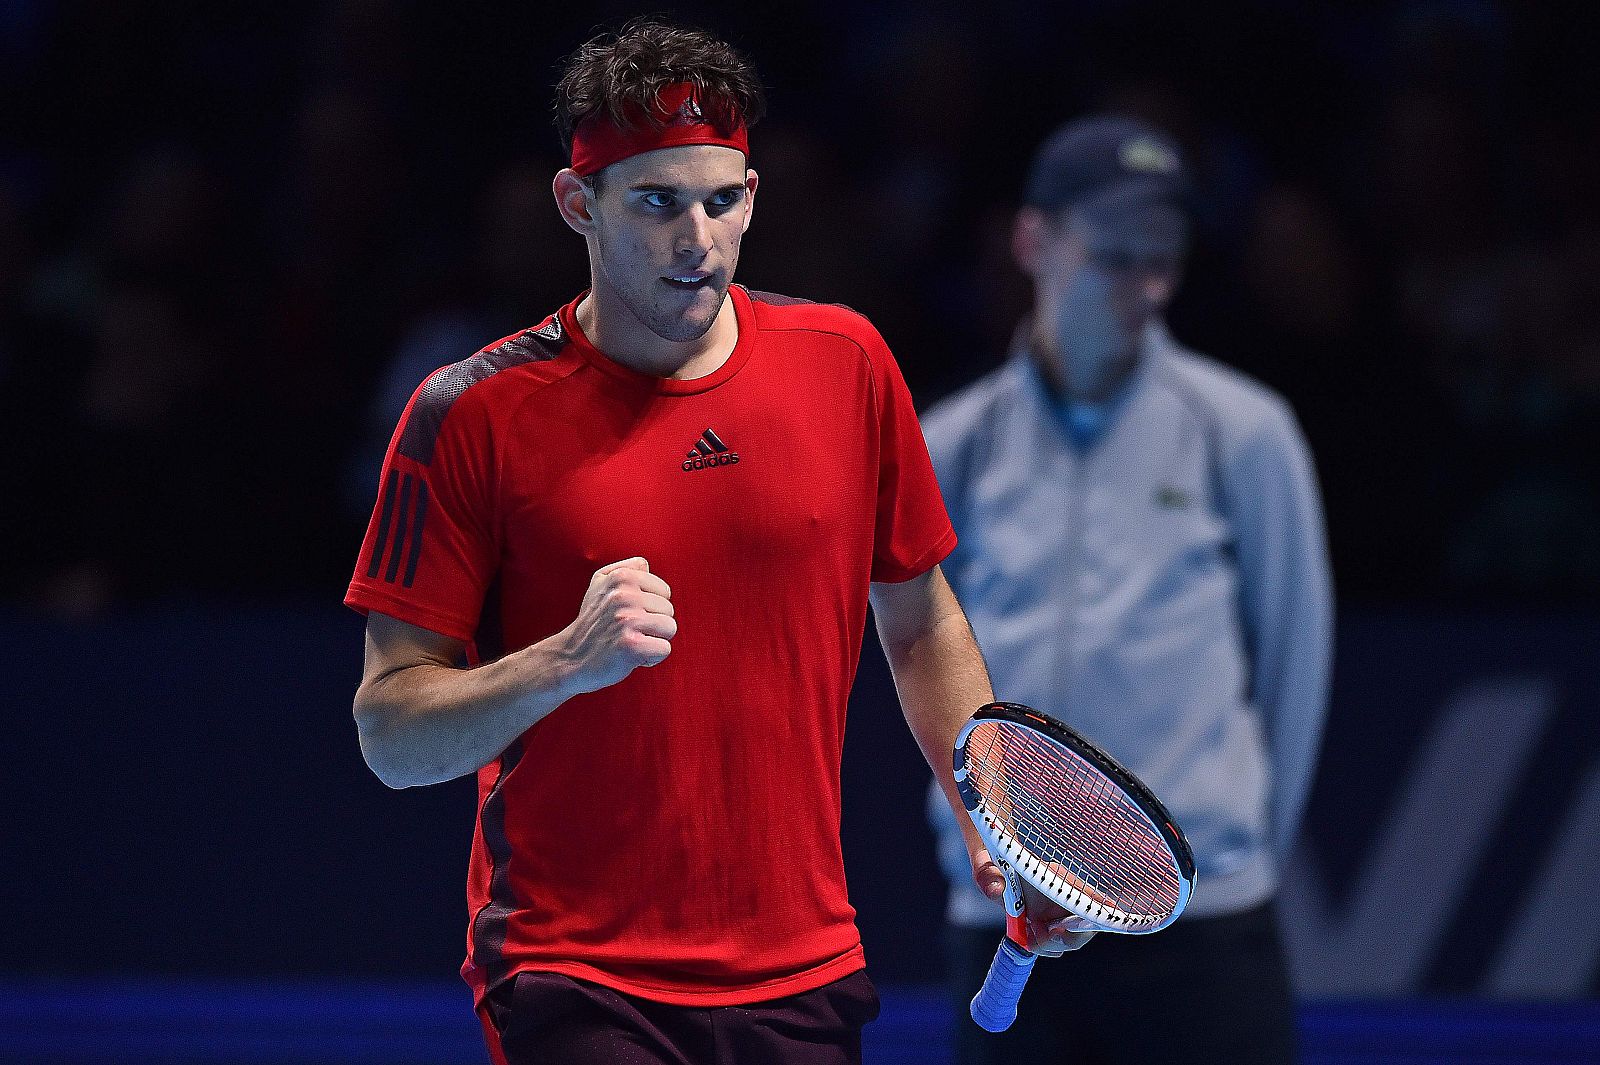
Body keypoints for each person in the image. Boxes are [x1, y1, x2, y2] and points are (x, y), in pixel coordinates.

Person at [345, 20, 1087, 1065]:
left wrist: (993, 816)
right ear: (578, 204)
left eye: (721, 198)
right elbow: (389, 734)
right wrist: (566, 661)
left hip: (805, 970)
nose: (697, 239)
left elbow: (919, 619)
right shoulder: (470, 413)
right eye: (655, 203)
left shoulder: (847, 362)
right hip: (576, 972)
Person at [924, 114, 1333, 1065]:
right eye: (1115, 257)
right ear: (1033, 242)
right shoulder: (955, 442)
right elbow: (919, 657)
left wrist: (1232, 852)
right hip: (1004, 908)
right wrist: (981, 847)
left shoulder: (1245, 430)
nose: (1145, 287)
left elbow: (1296, 664)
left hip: (1205, 929)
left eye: (1165, 261)